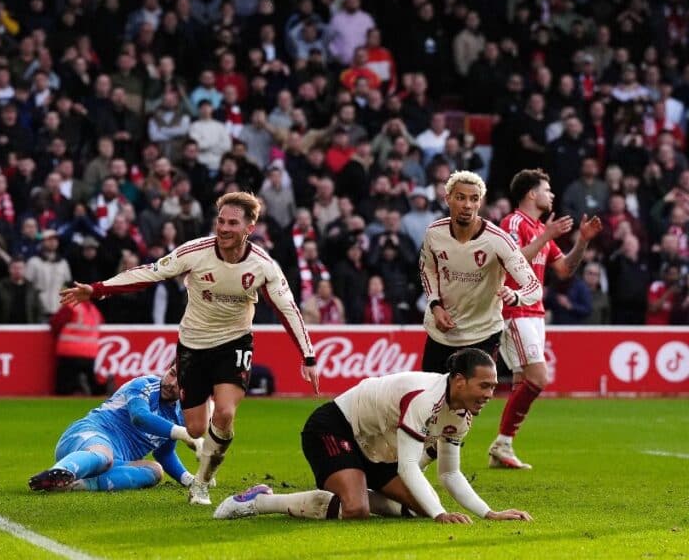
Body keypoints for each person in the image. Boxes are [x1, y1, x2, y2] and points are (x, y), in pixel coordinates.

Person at [61, 192, 317, 506]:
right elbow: (149, 272)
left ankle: (202, 484)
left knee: (224, 413)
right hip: (193, 346)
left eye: (232, 223)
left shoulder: (262, 266)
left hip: (235, 343)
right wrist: (97, 289)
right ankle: (202, 461)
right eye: (221, 221)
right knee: (196, 429)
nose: (223, 228)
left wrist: (308, 355)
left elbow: (287, 309)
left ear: (250, 227)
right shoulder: (196, 251)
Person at [213, 349, 533, 524]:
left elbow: (449, 472)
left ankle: (354, 487)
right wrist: (440, 512)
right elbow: (409, 467)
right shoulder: (425, 397)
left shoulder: (462, 415)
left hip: (375, 447)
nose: (491, 394)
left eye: (493, 386)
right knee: (356, 510)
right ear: (460, 382)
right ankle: (258, 501)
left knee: (419, 508)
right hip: (334, 426)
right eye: (486, 386)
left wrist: (489, 513)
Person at [492, 169, 602, 469]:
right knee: (538, 378)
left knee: (520, 382)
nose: (551, 194)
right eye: (547, 189)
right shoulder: (513, 222)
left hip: (535, 311)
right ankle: (500, 442)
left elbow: (565, 269)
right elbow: (510, 261)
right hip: (515, 310)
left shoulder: (539, 228)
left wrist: (582, 241)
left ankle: (503, 448)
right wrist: (546, 236)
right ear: (531, 194)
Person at [418, 171, 543, 374]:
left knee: (470, 401)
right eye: (460, 197)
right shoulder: (434, 233)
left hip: (482, 333)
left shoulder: (498, 240)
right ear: (447, 199)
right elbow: (427, 270)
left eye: (474, 199)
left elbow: (534, 287)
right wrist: (435, 305)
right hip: (441, 333)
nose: (467, 205)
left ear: (480, 203)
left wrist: (516, 296)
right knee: (433, 400)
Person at [28, 366, 200, 492]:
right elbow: (140, 417)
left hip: (115, 461)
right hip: (88, 435)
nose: (171, 383)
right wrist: (185, 434)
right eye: (172, 374)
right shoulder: (144, 385)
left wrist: (188, 479)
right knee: (104, 457)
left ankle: (74, 485)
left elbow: (164, 453)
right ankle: (61, 471)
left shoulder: (178, 415)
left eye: (179, 383)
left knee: (154, 471)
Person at [50, 285, 104, 396]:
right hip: (90, 353)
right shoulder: (95, 311)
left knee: (63, 386)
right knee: (91, 382)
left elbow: (55, 324)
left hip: (70, 351)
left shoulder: (71, 307)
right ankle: (99, 392)